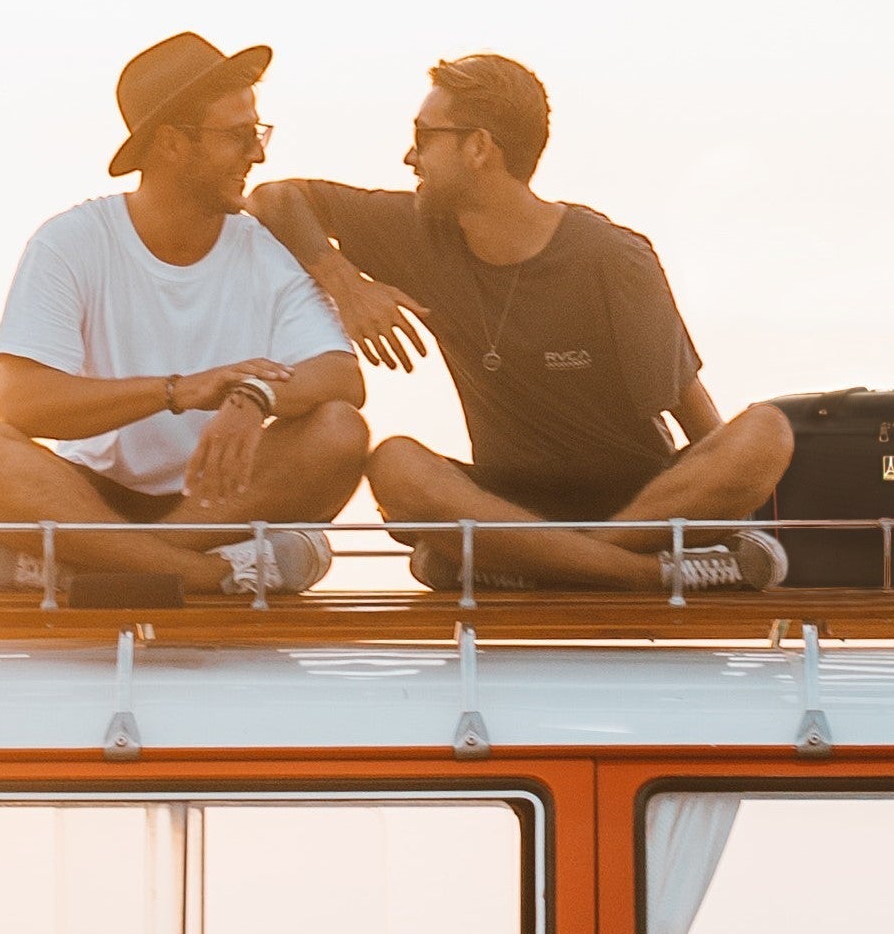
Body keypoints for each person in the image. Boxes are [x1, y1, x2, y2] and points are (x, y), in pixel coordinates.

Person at [249, 55, 793, 594]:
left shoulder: (613, 257)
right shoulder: (417, 230)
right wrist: (348, 288)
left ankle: (547, 563)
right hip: (506, 504)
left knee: (765, 431)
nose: (409, 156)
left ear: (480, 147)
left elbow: (691, 409)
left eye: (424, 136)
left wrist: (725, 498)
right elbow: (276, 197)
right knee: (394, 463)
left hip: (639, 503)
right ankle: (636, 574)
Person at [0, 34, 371, 601]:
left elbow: (341, 378)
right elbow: (24, 403)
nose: (257, 154)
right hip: (84, 497)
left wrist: (255, 395)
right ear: (171, 144)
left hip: (222, 502)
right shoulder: (71, 242)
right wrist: (178, 390)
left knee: (338, 430)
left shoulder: (269, 250)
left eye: (258, 133)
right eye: (238, 136)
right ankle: (209, 574)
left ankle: (94, 567)